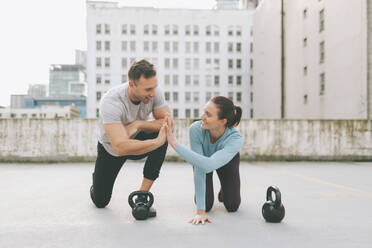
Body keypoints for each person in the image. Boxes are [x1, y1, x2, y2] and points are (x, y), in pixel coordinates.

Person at [90, 59, 171, 218]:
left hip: (135, 137)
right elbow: (121, 147)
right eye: (148, 89)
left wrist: (138, 124)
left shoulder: (154, 91)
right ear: (132, 85)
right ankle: (97, 184)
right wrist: (156, 142)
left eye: (154, 87)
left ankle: (142, 196)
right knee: (100, 201)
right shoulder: (111, 101)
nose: (153, 93)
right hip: (111, 148)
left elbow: (167, 123)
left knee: (162, 134)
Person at [165, 96, 244, 225]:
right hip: (202, 161)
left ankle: (224, 189)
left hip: (226, 162)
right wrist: (200, 212)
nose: (202, 117)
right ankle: (212, 198)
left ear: (222, 121)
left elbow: (209, 165)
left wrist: (174, 143)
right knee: (206, 205)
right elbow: (201, 167)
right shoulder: (196, 129)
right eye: (204, 112)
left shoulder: (236, 139)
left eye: (208, 114)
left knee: (232, 206)